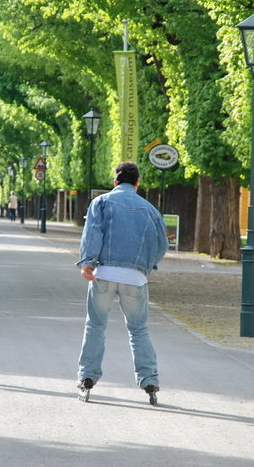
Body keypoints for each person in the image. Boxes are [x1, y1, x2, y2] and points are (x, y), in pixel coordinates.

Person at [75, 161, 168, 406]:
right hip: (135, 278)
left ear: (115, 182)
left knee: (95, 326)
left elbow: (93, 233)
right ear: (137, 183)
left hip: (104, 273)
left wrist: (87, 263)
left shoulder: (102, 202)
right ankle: (149, 381)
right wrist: (146, 267)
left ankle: (87, 377)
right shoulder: (150, 209)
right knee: (138, 330)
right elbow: (162, 245)